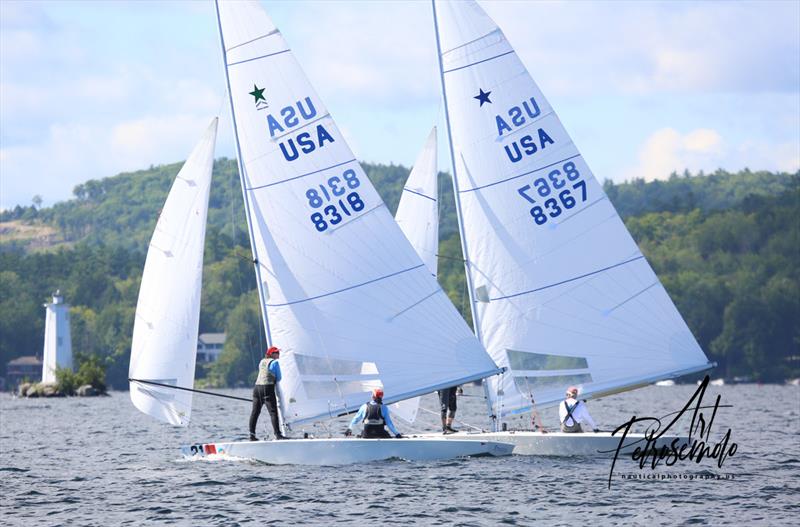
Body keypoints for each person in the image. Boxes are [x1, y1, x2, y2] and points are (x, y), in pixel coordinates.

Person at [249, 346, 284, 441]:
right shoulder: (275, 362)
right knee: (273, 412)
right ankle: (278, 435)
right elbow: (279, 378)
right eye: (276, 352)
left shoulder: (262, 361)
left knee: (255, 412)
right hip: (267, 388)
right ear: (271, 354)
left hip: (257, 388)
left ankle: (252, 436)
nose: (278, 354)